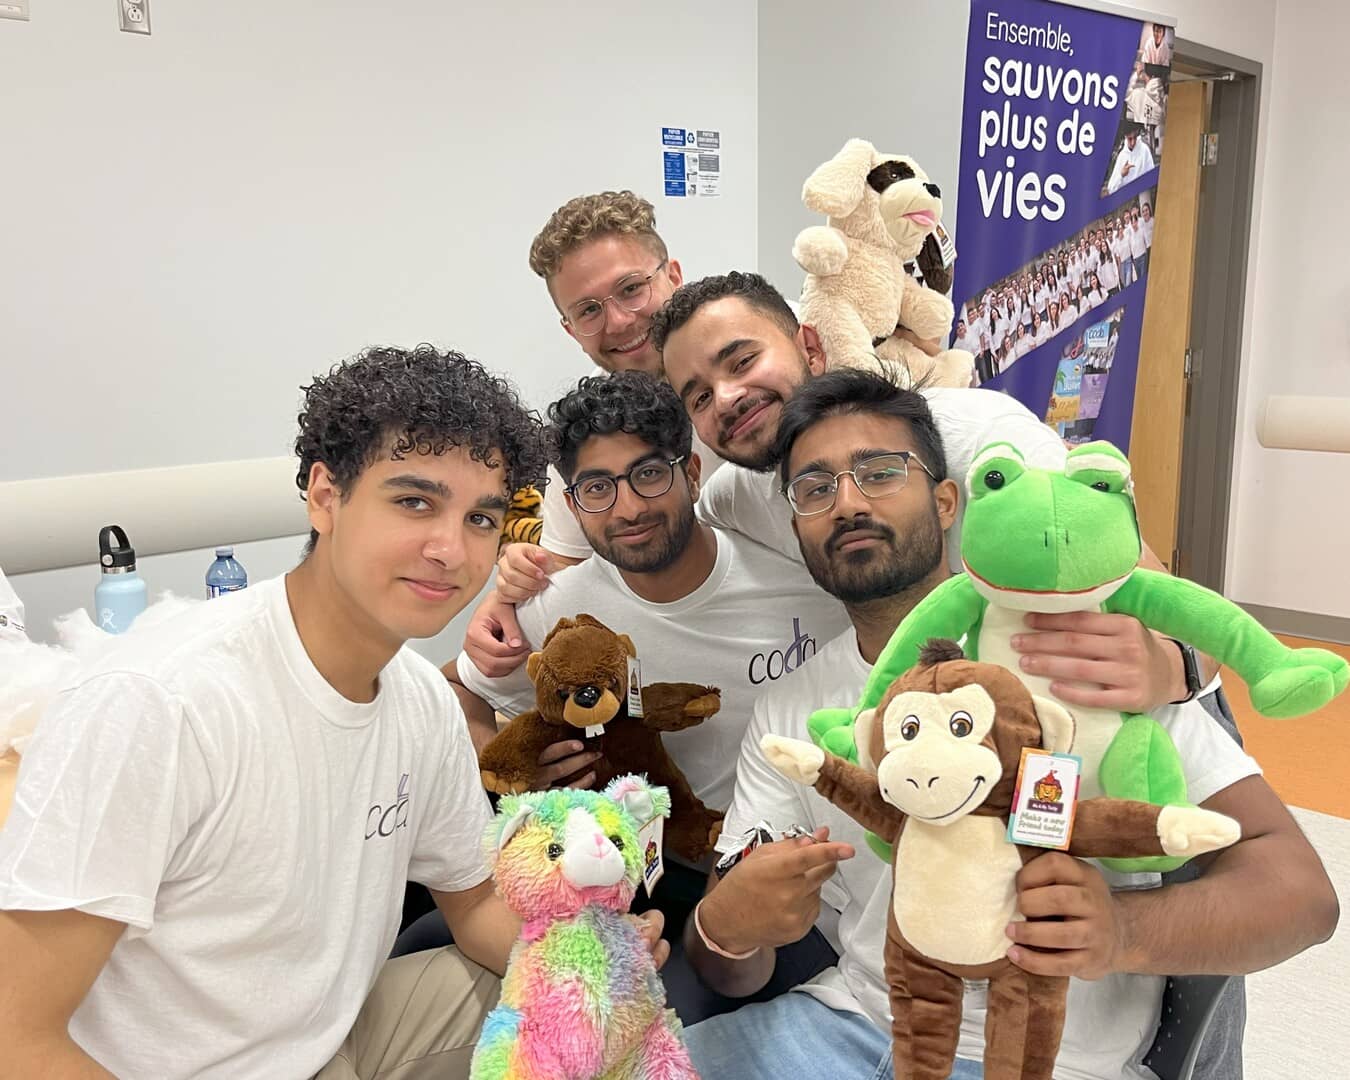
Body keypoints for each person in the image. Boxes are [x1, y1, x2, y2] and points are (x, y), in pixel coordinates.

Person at [0, 347, 673, 1078]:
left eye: (480, 517)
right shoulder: (159, 701)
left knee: (594, 1008)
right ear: (325, 495)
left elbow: (476, 902)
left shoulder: (420, 701)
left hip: (338, 1033)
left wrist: (598, 955)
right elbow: (17, 1038)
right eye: (413, 501)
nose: (450, 549)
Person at [679, 367, 1339, 1080]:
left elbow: (1302, 893)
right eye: (815, 488)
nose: (846, 502)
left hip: (1038, 1055)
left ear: (945, 500)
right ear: (796, 526)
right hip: (847, 1019)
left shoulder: (1080, 657)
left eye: (878, 471)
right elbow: (727, 968)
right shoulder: (791, 708)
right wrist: (728, 931)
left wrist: (1121, 932)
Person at [446, 370, 851, 939]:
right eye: (597, 488)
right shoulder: (559, 607)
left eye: (648, 475)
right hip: (618, 872)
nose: (628, 507)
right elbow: (457, 688)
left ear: (690, 472)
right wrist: (510, 770)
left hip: (769, 884)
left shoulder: (801, 582)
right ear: (572, 504)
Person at [1107, 124, 1156, 195]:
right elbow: (1111, 189)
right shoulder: (1122, 156)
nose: (1133, 142)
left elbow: (1152, 178)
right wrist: (1121, 175)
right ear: (1125, 137)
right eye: (1130, 139)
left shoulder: (1145, 150)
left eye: (1135, 137)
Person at [1129, 208, 1150, 280]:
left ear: (1137, 222)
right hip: (1135, 260)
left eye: (1134, 222)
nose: (1133, 224)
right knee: (1139, 278)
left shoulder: (1142, 230)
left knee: (1144, 276)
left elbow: (1147, 243)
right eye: (1132, 223)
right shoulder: (1131, 236)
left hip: (1143, 257)